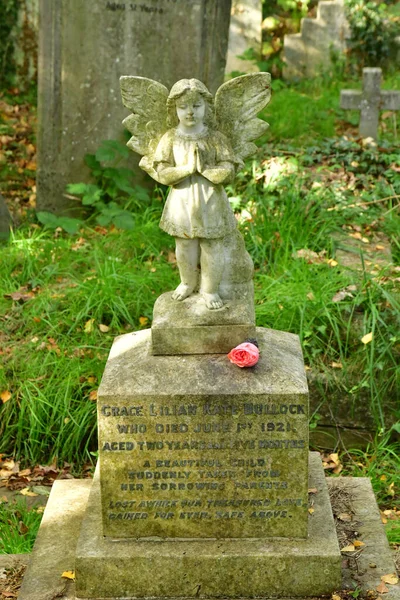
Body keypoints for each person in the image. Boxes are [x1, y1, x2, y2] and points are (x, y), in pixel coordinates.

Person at [153, 79, 238, 310]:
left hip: (211, 201)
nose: (190, 112)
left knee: (212, 246)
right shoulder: (170, 138)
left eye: (196, 105)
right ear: (175, 109)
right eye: (183, 107)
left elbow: (229, 171)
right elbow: (162, 173)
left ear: (207, 107)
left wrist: (207, 170)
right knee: (184, 245)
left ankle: (209, 289)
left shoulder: (215, 138)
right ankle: (187, 282)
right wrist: (187, 169)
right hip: (181, 201)